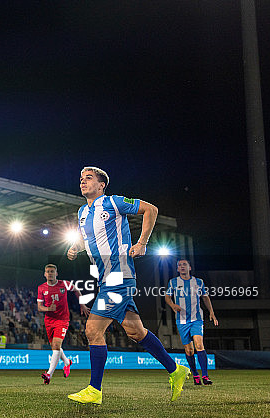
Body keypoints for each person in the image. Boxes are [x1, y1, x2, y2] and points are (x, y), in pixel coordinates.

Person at [66, 166, 189, 405]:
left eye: (88, 178)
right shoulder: (82, 212)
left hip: (119, 276)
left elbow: (150, 210)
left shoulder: (114, 202)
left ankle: (94, 389)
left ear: (101, 185)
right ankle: (176, 370)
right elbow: (89, 240)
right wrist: (76, 247)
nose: (82, 182)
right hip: (105, 279)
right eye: (81, 179)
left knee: (92, 331)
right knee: (136, 332)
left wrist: (142, 242)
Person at [165, 259, 218, 385]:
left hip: (196, 319)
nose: (182, 267)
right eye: (179, 265)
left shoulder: (198, 282)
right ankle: (195, 374)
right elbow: (167, 296)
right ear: (177, 269)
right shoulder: (173, 282)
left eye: (184, 264)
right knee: (189, 350)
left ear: (189, 267)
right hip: (182, 320)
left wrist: (211, 312)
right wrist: (173, 305)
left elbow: (205, 297)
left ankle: (205, 376)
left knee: (199, 345)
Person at [37, 263, 89, 384]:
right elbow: (39, 307)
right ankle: (67, 362)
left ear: (56, 273)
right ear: (44, 274)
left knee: (56, 346)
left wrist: (82, 304)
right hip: (49, 321)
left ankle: (48, 374)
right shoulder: (41, 288)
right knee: (55, 347)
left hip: (62, 320)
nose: (50, 273)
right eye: (48, 272)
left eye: (52, 271)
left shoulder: (64, 284)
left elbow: (76, 290)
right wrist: (49, 309)